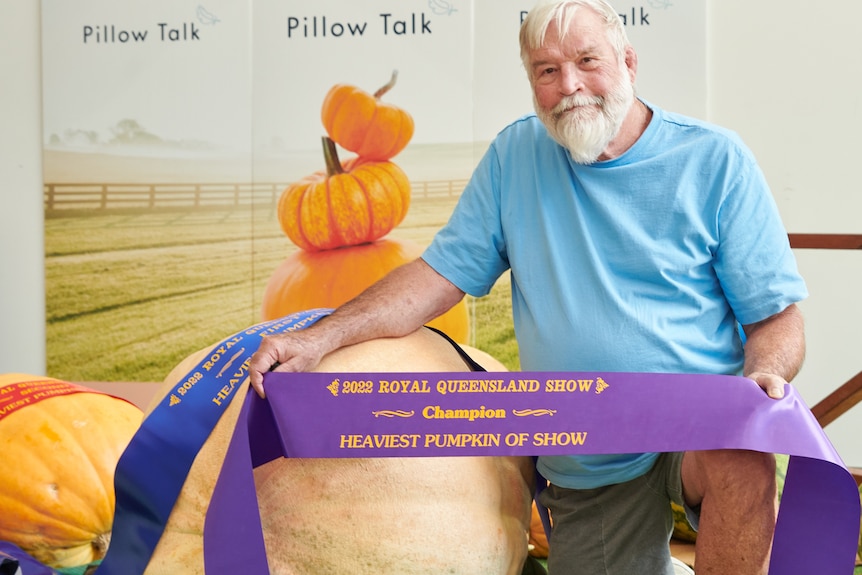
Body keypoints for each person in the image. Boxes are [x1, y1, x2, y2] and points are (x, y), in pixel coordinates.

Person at [250, 1, 808, 573]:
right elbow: (434, 279)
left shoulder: (716, 159)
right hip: (586, 445)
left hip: (699, 421)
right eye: (547, 71)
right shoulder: (513, 156)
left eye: (587, 61)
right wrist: (321, 337)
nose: (569, 86)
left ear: (628, 62)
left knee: (743, 452)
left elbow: (775, 317)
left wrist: (763, 376)